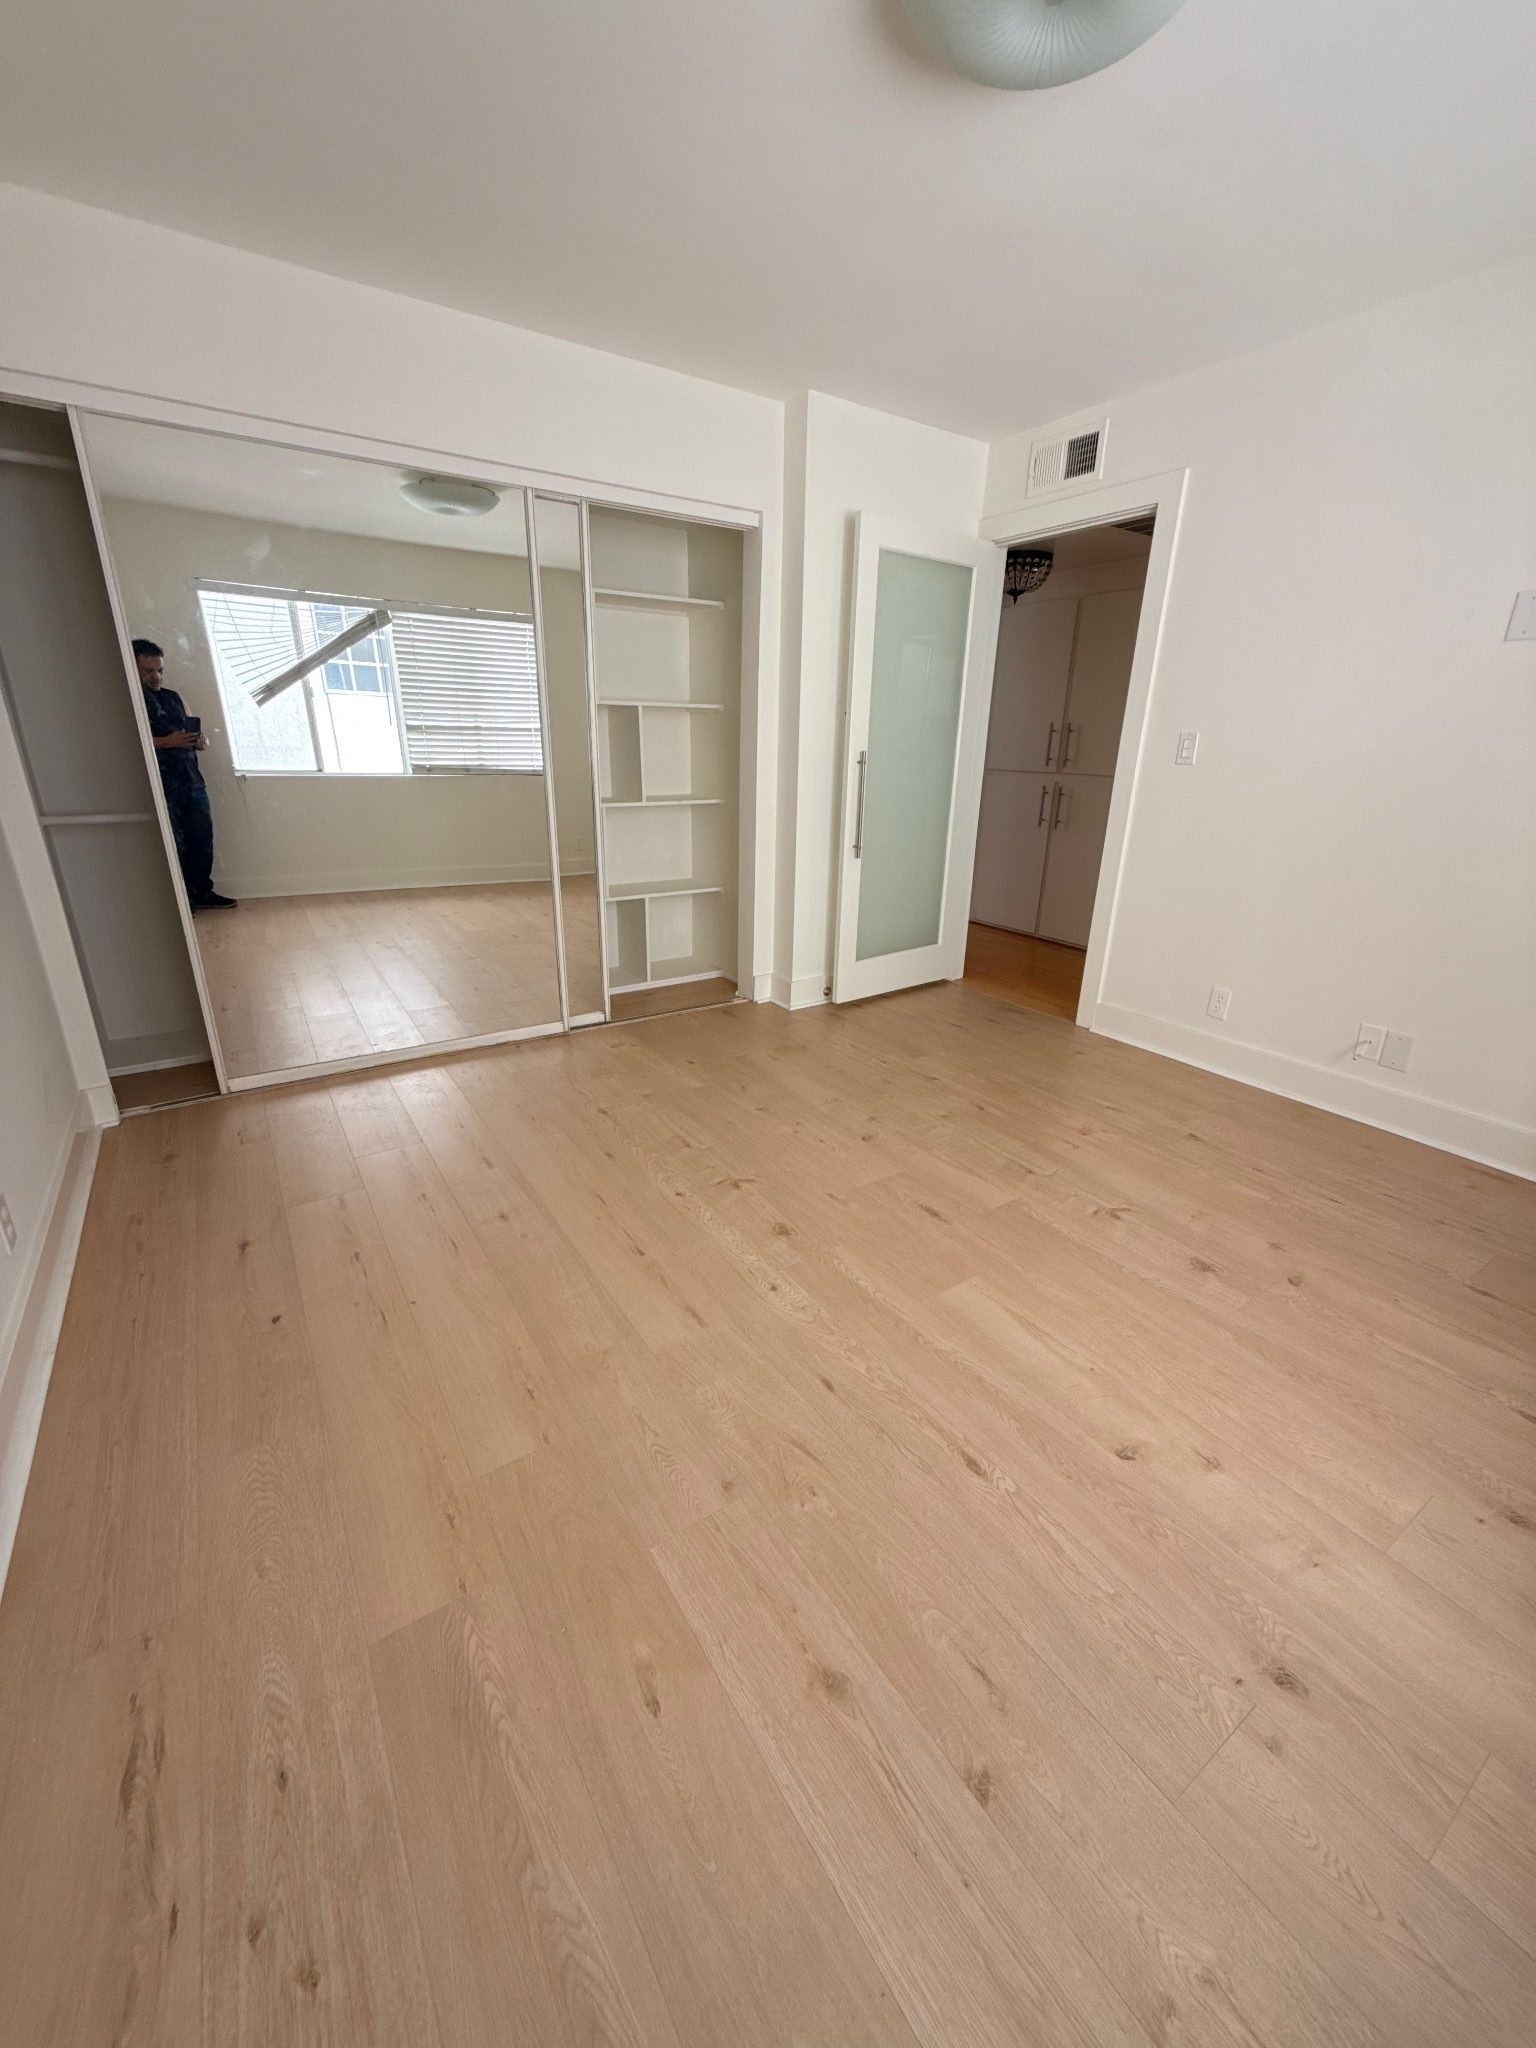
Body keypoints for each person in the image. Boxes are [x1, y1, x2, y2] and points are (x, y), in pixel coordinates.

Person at [132, 638, 237, 910]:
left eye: (159, 670)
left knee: (201, 837)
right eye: (148, 671)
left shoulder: (174, 697)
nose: (156, 676)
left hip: (191, 780)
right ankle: (179, 901)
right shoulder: (128, 700)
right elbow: (128, 740)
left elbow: (195, 735)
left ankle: (202, 892)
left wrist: (200, 741)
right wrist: (167, 742)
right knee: (172, 843)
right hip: (160, 784)